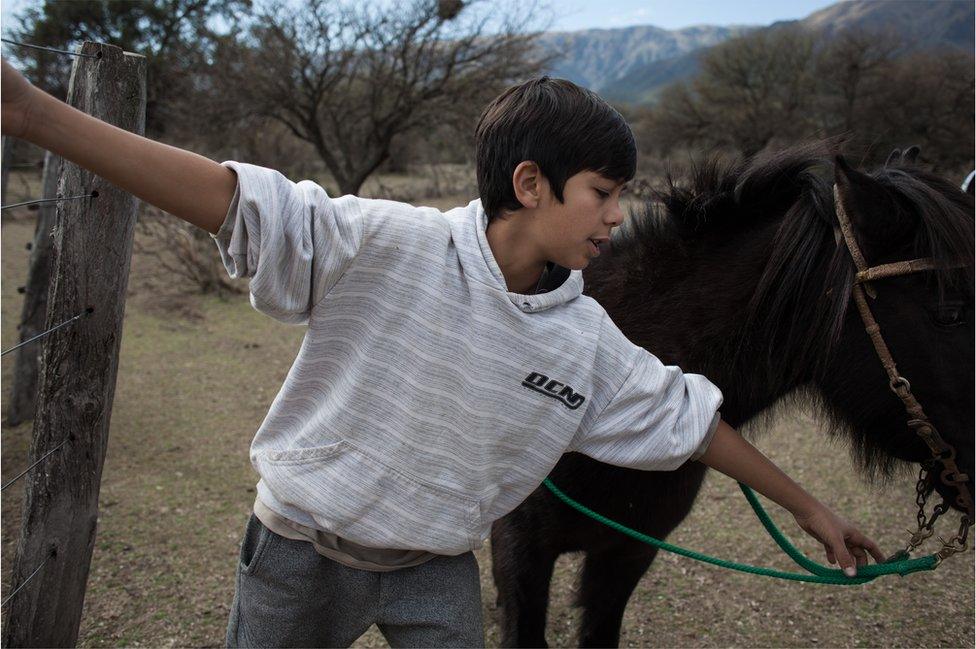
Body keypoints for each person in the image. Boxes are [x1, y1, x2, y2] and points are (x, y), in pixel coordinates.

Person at [1, 61, 885, 647]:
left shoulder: (585, 339)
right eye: (603, 193)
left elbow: (688, 419)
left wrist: (809, 506)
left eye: (624, 195)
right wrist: (31, 111)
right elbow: (242, 202)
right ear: (531, 184)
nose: (618, 215)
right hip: (296, 551)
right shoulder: (383, 241)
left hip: (434, 574)